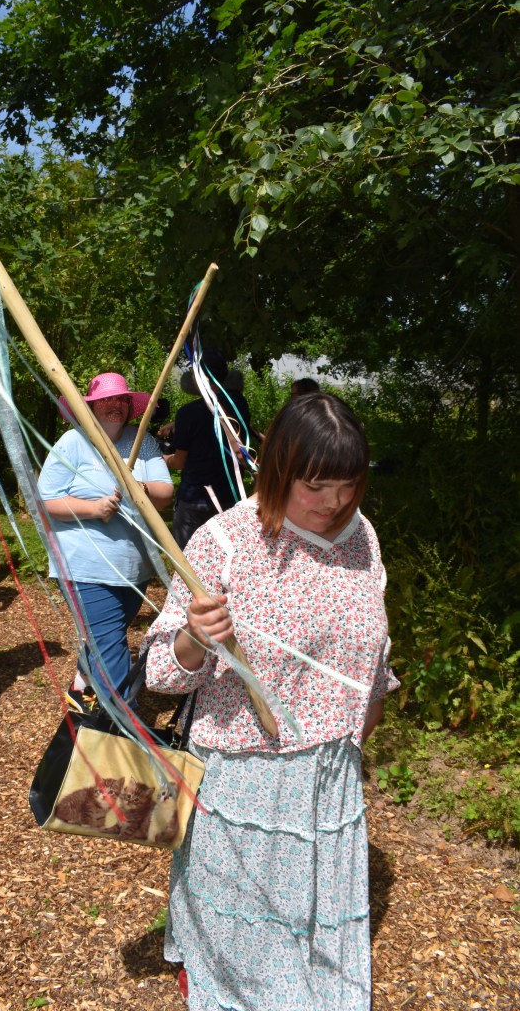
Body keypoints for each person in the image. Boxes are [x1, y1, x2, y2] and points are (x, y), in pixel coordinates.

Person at [142, 392, 399, 1011]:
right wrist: (195, 637)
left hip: (332, 771)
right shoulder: (226, 541)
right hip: (246, 775)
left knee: (312, 919)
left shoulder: (361, 535)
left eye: (347, 485)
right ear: (280, 468)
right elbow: (159, 673)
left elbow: (373, 648)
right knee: (244, 922)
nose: (333, 502)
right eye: (316, 486)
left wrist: (364, 717)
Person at [38, 371, 174, 710]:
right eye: (105, 400)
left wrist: (139, 488)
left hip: (133, 565)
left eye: (121, 399)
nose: (115, 405)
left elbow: (165, 493)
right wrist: (93, 508)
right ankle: (125, 722)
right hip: (85, 565)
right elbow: (45, 501)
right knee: (111, 643)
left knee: (105, 635)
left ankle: (81, 686)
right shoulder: (73, 442)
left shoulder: (141, 440)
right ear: (91, 406)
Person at [162, 347, 251, 549]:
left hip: (195, 501)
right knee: (225, 554)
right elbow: (214, 416)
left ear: (199, 377)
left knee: (187, 557)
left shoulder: (188, 413)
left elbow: (179, 462)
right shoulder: (239, 404)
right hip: (229, 497)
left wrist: (164, 458)